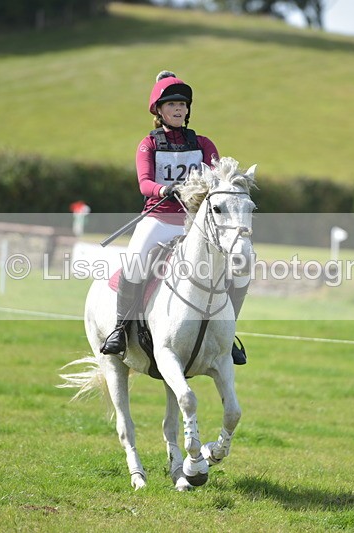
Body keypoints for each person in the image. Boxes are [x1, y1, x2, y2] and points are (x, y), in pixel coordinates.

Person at [100, 70, 250, 365]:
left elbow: (217, 179)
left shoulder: (204, 144)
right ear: (158, 110)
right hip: (158, 219)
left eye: (183, 104)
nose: (179, 109)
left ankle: (227, 333)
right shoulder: (149, 144)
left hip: (194, 223)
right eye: (171, 104)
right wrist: (164, 188)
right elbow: (144, 184)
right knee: (135, 263)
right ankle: (119, 330)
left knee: (241, 269)